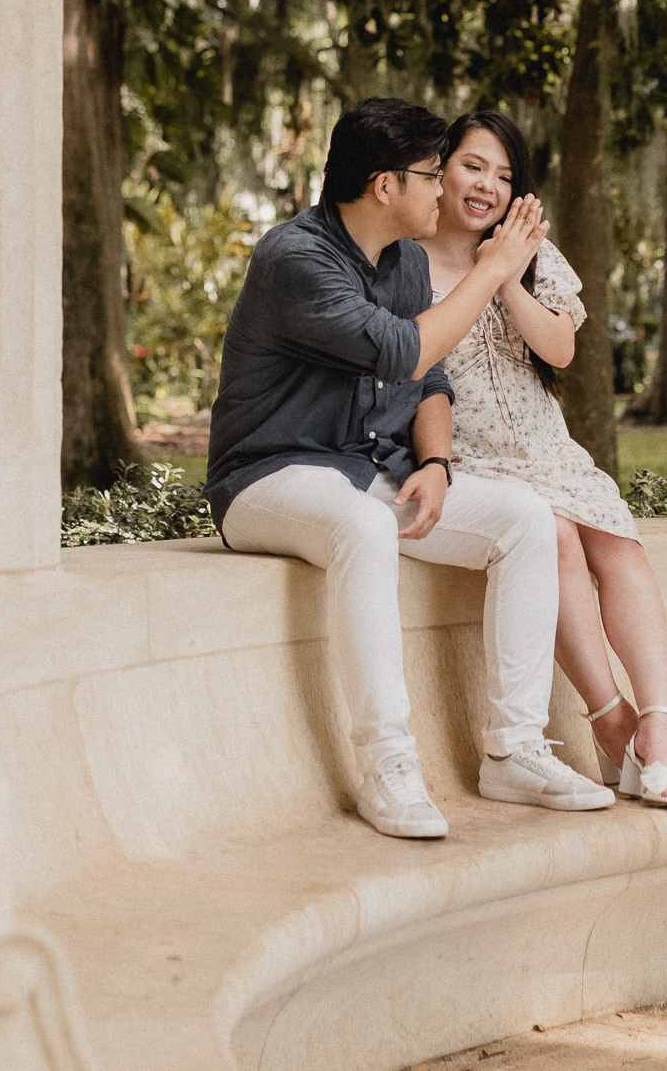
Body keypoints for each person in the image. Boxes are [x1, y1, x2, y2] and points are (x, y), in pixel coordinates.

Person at [208, 97, 617, 840]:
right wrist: (494, 268)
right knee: (363, 524)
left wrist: (432, 459)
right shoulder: (295, 260)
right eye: (433, 174)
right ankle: (388, 764)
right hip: (267, 479)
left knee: (523, 518)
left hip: (369, 468)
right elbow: (404, 352)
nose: (444, 191)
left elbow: (428, 383)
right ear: (384, 187)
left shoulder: (402, 262)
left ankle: (515, 749)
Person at [417, 109, 667, 808]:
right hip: (474, 458)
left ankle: (659, 730)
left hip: (548, 448)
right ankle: (614, 726)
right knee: (558, 540)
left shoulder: (534, 253)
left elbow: (561, 350)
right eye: (473, 166)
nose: (486, 185)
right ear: (441, 168)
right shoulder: (403, 260)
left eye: (504, 175)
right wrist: (483, 270)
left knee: (620, 545)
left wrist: (506, 271)